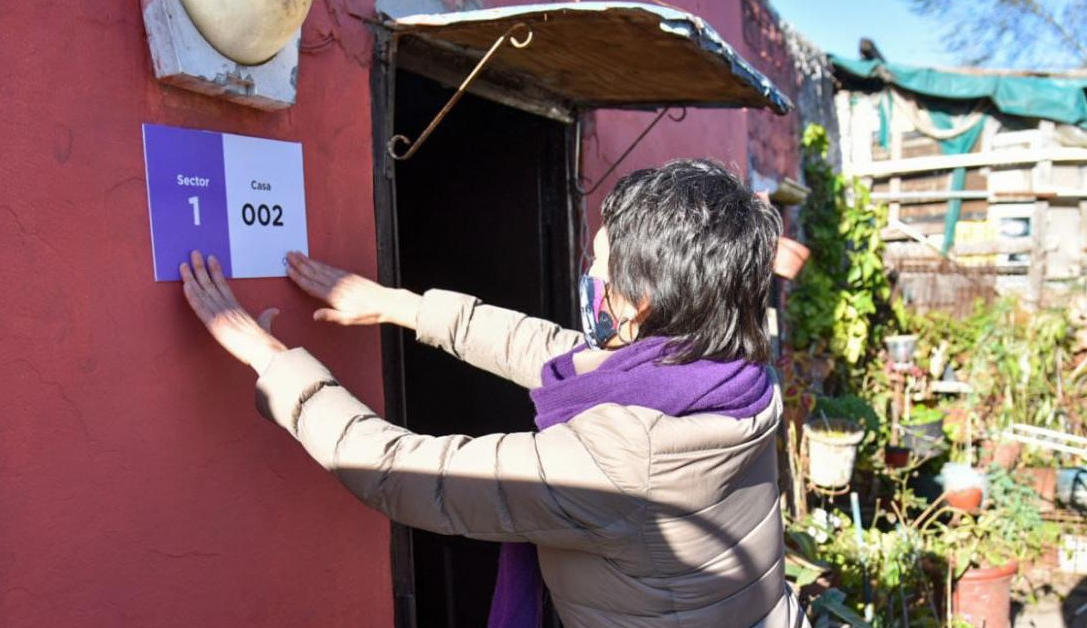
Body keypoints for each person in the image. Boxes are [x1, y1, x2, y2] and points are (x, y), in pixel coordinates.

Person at [180, 159, 808, 627]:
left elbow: (401, 472)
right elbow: (556, 352)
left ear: (638, 306)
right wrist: (401, 307)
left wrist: (272, 360)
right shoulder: (734, 373)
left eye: (598, 265)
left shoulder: (621, 463)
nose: (587, 275)